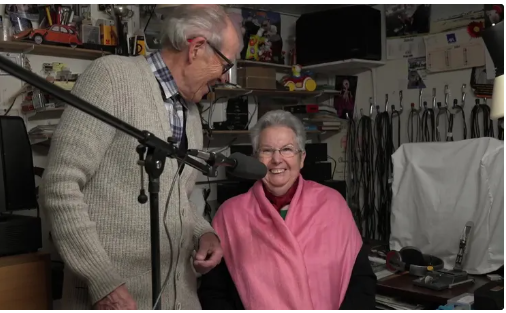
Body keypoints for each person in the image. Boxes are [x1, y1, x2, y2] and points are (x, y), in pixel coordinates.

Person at [40, 4, 243, 310]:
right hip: (114, 301)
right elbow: (60, 186)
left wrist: (204, 234)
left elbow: (178, 200)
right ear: (197, 48)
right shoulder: (111, 78)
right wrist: (102, 281)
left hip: (181, 300)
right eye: (225, 64)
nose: (224, 77)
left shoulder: (190, 112)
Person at [198, 110, 376, 310]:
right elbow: (213, 293)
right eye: (267, 150)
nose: (276, 159)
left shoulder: (333, 205)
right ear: (255, 159)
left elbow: (362, 282)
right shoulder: (230, 215)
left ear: (302, 158)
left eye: (287, 149)